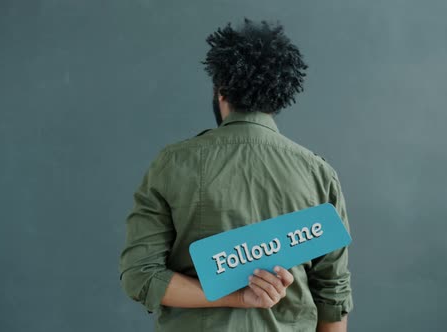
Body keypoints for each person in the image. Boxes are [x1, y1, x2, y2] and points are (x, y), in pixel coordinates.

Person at [119, 18, 353, 332]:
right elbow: (332, 296)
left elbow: (141, 276)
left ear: (221, 90)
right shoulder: (319, 175)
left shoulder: (172, 164)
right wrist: (240, 297)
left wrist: (235, 297)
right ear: (279, 95)